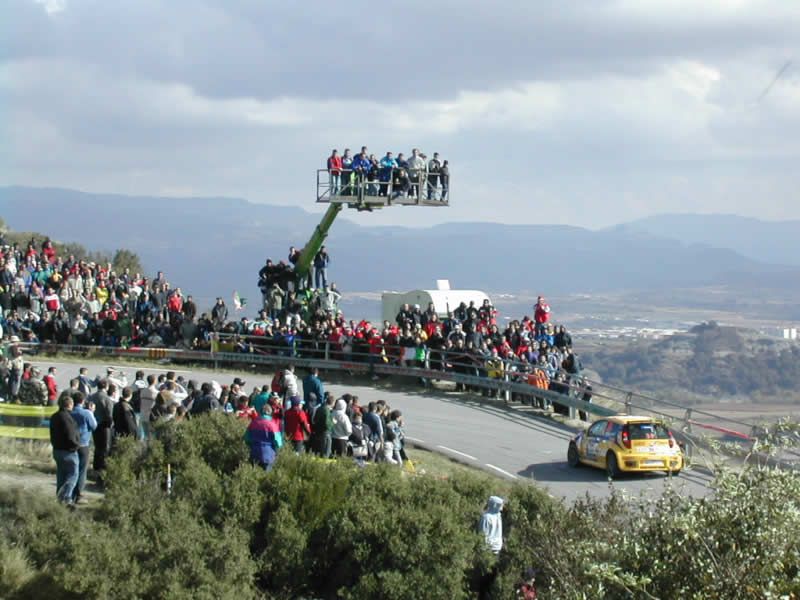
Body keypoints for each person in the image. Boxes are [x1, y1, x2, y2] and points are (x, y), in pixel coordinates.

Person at [50, 394, 80, 505]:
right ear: (70, 405)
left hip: (57, 450)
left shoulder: (55, 416)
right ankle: (67, 498)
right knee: (73, 475)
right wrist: (76, 445)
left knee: (61, 476)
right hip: (68, 451)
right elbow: (71, 434)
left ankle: (59, 498)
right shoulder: (67, 418)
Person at [70, 390, 97, 504]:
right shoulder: (86, 413)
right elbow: (94, 426)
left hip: (71, 443)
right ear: (83, 401)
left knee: (71, 470)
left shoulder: (70, 412)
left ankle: (69, 493)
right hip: (83, 443)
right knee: (82, 470)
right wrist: (91, 412)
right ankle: (79, 493)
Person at [244, 403, 283, 471]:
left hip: (254, 453)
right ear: (270, 413)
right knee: (266, 477)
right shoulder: (272, 425)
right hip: (268, 454)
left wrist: (252, 445)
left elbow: (246, 438)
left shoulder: (253, 423)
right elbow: (278, 443)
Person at [88, 379, 114, 478]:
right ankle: (102, 469)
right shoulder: (106, 398)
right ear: (105, 386)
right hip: (104, 425)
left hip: (95, 424)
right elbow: (109, 414)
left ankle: (96, 467)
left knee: (97, 447)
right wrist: (111, 424)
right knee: (105, 448)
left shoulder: (92, 397)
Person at [311, 394, 334, 458]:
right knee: (326, 451)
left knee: (320, 450)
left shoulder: (319, 408)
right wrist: (332, 423)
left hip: (318, 432)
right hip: (325, 433)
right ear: (332, 403)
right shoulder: (326, 410)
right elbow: (327, 424)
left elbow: (315, 420)